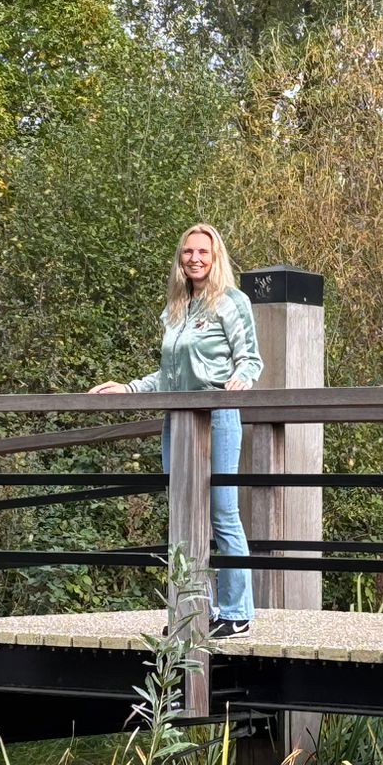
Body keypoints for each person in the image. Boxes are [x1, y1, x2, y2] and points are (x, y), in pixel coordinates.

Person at [91, 224, 262, 638]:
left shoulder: (231, 302)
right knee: (183, 515)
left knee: (222, 512)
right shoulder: (178, 307)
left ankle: (237, 611)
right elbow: (168, 376)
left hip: (215, 418)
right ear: (180, 258)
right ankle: (192, 613)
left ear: (215, 256)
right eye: (188, 252)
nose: (195, 258)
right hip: (177, 421)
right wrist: (129, 387)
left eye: (202, 251)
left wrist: (240, 378)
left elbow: (250, 359)